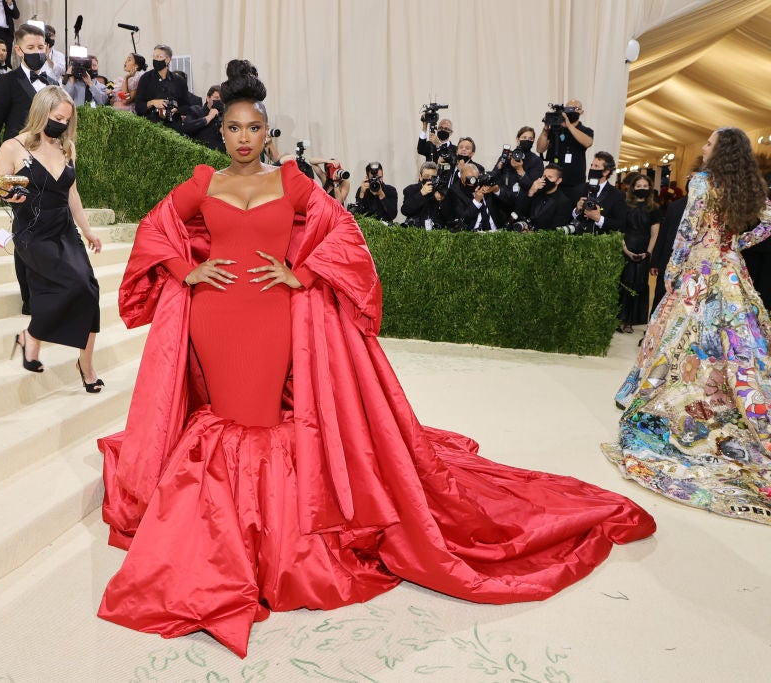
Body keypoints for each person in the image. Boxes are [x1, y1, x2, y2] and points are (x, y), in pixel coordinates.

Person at [96, 58, 655, 658]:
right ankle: (230, 537)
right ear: (221, 130)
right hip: (216, 315)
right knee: (232, 420)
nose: (241, 138)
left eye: (252, 128)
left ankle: (267, 538)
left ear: (266, 132)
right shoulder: (203, 181)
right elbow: (158, 226)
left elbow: (344, 233)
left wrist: (303, 271)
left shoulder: (290, 182)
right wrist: (188, 270)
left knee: (260, 422)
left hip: (273, 317)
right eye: (232, 127)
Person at [604, 127, 771, 524]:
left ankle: (675, 397)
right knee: (735, 343)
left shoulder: (701, 182)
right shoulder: (748, 185)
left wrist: (674, 274)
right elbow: (767, 222)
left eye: (709, 142)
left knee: (680, 340)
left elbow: (687, 232)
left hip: (700, 269)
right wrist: (734, 246)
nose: (704, 146)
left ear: (720, 150)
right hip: (732, 272)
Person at [0, 86, 104, 391]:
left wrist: (87, 229)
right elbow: (1, 186)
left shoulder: (67, 148)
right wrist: (10, 194)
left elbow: (72, 193)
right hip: (32, 232)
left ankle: (86, 363)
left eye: (66, 120)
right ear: (42, 112)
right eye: (57, 118)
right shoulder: (13, 147)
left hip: (64, 229)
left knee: (89, 289)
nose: (61, 125)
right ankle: (32, 336)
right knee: (72, 285)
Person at [0, 22, 58, 315]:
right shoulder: (7, 82)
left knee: (48, 230)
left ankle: (46, 290)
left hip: (49, 171)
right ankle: (29, 298)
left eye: (41, 48)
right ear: (18, 50)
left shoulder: (52, 83)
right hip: (17, 172)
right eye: (31, 48)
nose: (37, 52)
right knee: (26, 232)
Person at [617, 174, 661, 333]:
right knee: (623, 283)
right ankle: (618, 318)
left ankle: (630, 321)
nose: (642, 189)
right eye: (638, 186)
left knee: (638, 285)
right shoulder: (624, 206)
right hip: (625, 247)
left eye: (645, 186)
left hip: (644, 250)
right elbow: (620, 230)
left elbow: (655, 233)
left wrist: (648, 253)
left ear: (649, 188)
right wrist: (626, 250)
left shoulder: (654, 208)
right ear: (633, 188)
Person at [536, 99, 594, 191]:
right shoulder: (555, 129)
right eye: (568, 109)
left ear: (581, 112)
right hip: (554, 181)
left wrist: (569, 125)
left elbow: (588, 143)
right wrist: (546, 129)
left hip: (575, 182)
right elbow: (540, 149)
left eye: (575, 108)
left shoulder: (585, 130)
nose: (571, 111)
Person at [134, 43, 190, 128]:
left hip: (173, 127)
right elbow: (138, 106)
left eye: (159, 56)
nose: (155, 59)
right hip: (150, 126)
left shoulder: (179, 81)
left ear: (167, 60)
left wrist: (177, 109)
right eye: (154, 57)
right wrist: (153, 102)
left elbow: (186, 106)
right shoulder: (145, 78)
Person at [571, 152, 626, 234]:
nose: (592, 168)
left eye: (596, 166)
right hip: (577, 238)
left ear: (606, 172)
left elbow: (619, 223)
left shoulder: (616, 194)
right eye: (591, 165)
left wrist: (599, 219)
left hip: (601, 242)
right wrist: (576, 210)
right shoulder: (579, 188)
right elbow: (567, 215)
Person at [517, 163, 574, 231]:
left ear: (558, 181)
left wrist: (533, 234)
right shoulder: (536, 193)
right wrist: (531, 192)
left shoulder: (564, 202)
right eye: (544, 176)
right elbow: (520, 213)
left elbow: (556, 231)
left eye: (550, 177)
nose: (545, 179)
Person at [400, 161, 445, 228]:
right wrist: (421, 193)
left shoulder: (440, 190)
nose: (430, 179)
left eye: (433, 177)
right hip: (417, 229)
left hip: (436, 230)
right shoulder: (411, 189)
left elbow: (448, 215)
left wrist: (441, 201)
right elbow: (405, 210)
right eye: (426, 176)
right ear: (420, 177)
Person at [179, 86, 224, 152]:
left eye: (221, 100)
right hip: (200, 154)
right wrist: (209, 117)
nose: (218, 102)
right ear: (208, 98)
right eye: (216, 98)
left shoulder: (224, 116)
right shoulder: (196, 110)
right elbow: (186, 127)